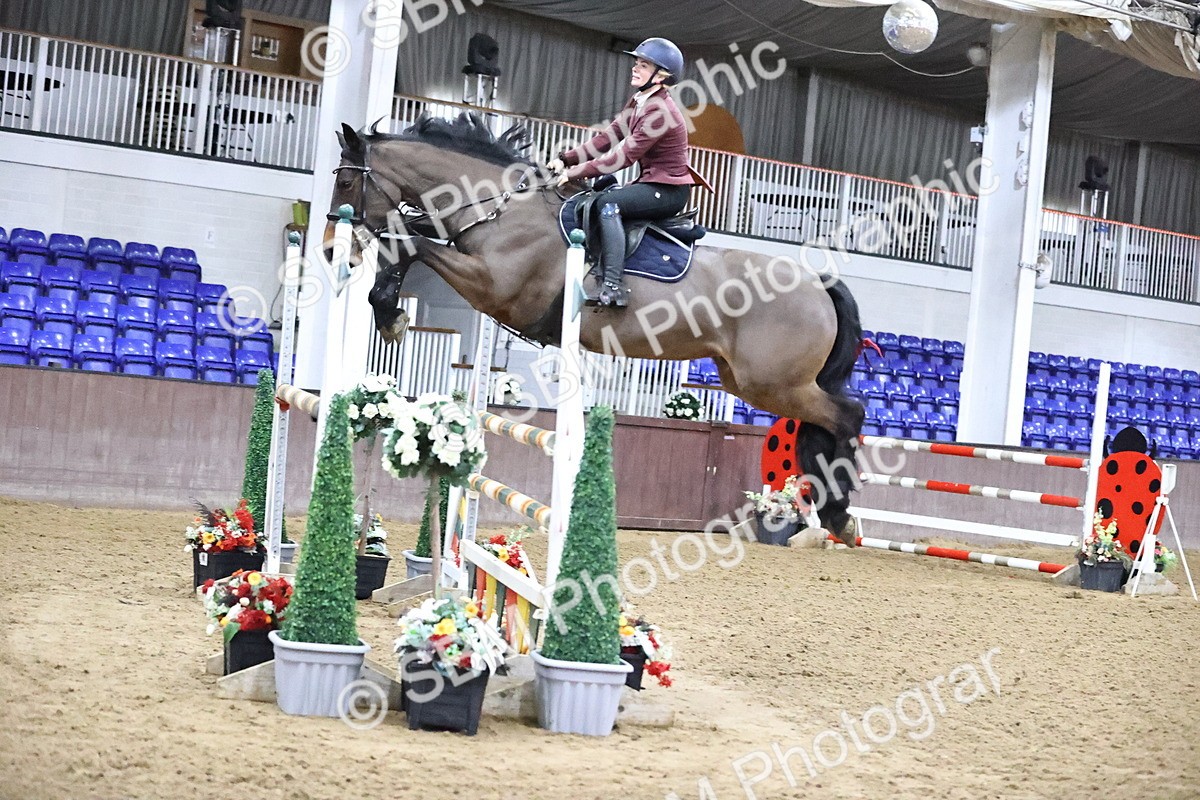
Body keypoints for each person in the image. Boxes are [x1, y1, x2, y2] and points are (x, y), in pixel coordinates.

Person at [548, 37, 706, 308]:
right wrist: (566, 159)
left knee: (608, 204)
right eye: (636, 63)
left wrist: (575, 174)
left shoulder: (660, 112)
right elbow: (607, 139)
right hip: (650, 183)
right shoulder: (639, 101)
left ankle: (613, 286)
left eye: (643, 65)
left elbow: (623, 156)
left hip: (668, 192)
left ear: (661, 77)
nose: (635, 68)